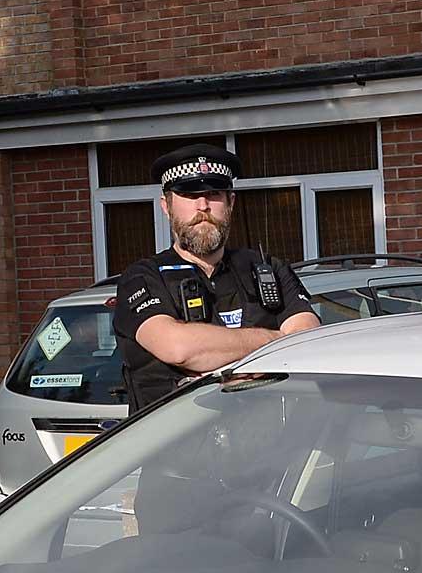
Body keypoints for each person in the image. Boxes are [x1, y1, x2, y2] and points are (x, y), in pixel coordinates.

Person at [113, 144, 320, 411]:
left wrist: (220, 355)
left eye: (213, 194)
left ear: (231, 202)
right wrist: (274, 341)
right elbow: (178, 347)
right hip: (176, 447)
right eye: (189, 195)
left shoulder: (267, 267)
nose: (203, 206)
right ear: (167, 206)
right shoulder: (143, 277)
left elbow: (307, 336)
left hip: (267, 445)